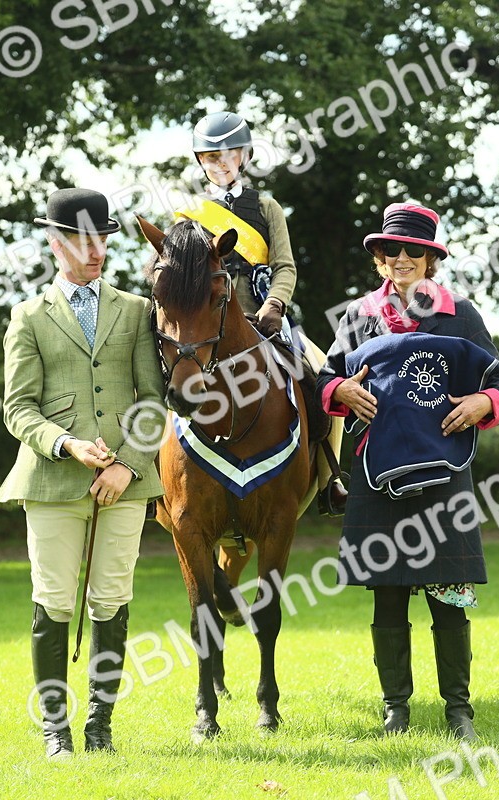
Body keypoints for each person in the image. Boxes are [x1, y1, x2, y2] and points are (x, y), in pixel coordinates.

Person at [316, 202, 499, 741]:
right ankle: (395, 710)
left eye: (414, 252)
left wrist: (483, 403)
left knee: (449, 594)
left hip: (444, 473)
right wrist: (341, 390)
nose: (401, 259)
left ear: (430, 260)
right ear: (379, 259)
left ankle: (459, 711)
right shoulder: (356, 317)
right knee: (387, 592)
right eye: (391, 251)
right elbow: (324, 379)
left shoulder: (462, 315)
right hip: (375, 472)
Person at [0, 188, 166, 759]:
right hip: (50, 483)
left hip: (123, 484)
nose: (97, 251)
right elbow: (18, 408)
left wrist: (128, 466)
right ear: (55, 242)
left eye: (103, 240)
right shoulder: (27, 317)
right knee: (53, 602)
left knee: (113, 600)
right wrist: (65, 443)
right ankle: (54, 729)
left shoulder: (137, 311)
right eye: (84, 241)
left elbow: (154, 400)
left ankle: (100, 725)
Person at [175, 110, 347, 517]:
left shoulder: (267, 207)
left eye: (228, 155)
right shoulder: (189, 217)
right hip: (207, 325)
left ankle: (330, 478)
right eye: (210, 157)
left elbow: (285, 265)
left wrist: (275, 303)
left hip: (264, 317)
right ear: (201, 162)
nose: (219, 164)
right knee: (161, 374)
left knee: (321, 375)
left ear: (245, 156)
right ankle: (149, 478)